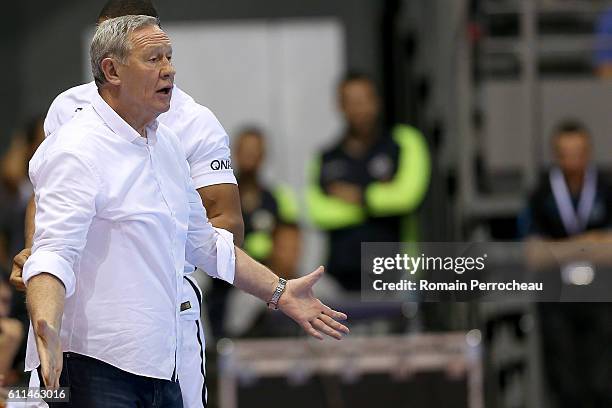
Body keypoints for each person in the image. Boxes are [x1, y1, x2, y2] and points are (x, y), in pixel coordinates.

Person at [23, 15, 348, 407]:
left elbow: (206, 243)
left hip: (163, 367)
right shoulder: (76, 149)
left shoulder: (168, 146)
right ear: (112, 71)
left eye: (169, 56)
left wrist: (279, 291)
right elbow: (52, 253)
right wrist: (46, 325)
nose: (169, 69)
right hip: (94, 366)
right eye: (154, 59)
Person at [9, 2, 244, 407]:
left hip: (164, 309)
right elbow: (46, 198)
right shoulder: (68, 107)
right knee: (35, 396)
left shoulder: (190, 123)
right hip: (72, 306)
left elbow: (224, 222)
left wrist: (160, 260)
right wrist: (37, 253)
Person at [307, 72, 430, 291]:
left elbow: (407, 197)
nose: (359, 109)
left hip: (397, 272)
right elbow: (318, 211)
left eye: (364, 100)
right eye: (352, 102)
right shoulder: (326, 157)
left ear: (377, 102)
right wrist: (379, 200)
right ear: (340, 106)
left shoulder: (404, 142)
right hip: (340, 277)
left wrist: (359, 197)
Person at [522, 120, 612, 407]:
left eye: (579, 151)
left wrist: (560, 249)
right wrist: (591, 243)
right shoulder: (541, 194)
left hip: (602, 297)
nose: (573, 159)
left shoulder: (607, 189)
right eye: (566, 152)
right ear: (556, 155)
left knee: (602, 380)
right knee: (564, 384)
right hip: (558, 298)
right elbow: (535, 255)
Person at [220, 127, 301, 337]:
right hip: (229, 283)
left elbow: (290, 239)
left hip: (271, 277)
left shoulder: (278, 198)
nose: (251, 158)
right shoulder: (221, 196)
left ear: (264, 156)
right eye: (246, 151)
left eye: (256, 152)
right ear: (235, 153)